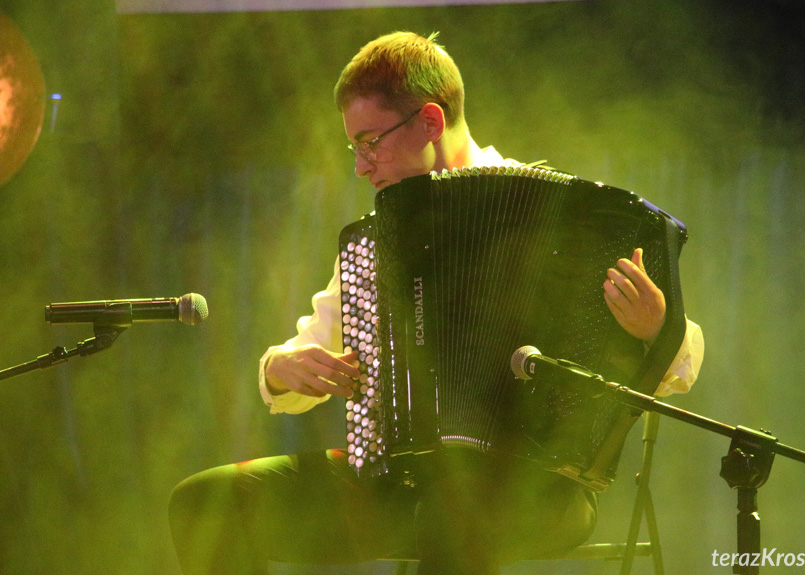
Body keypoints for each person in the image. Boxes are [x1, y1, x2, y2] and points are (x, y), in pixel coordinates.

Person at [169, 31, 704, 575]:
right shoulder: (380, 238)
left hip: (535, 486)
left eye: (369, 141)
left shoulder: (562, 212)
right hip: (402, 481)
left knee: (459, 509)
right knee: (206, 502)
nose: (360, 165)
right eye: (353, 146)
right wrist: (283, 369)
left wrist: (655, 327)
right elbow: (312, 342)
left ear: (429, 121)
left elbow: (680, 366)